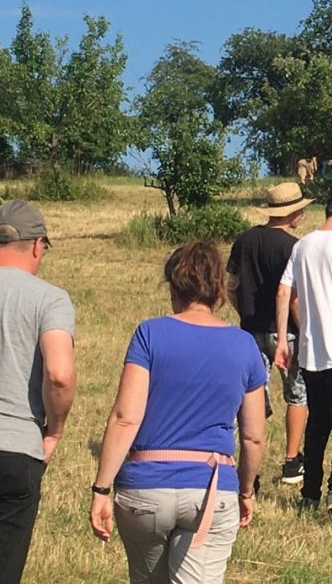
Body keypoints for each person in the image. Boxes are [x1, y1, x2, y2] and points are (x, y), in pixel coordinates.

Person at [90, 242, 266, 584]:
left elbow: (126, 417)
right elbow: (254, 436)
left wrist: (101, 489)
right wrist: (246, 491)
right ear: (220, 289)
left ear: (174, 284)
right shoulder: (245, 345)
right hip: (211, 491)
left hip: (145, 490)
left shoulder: (149, 334)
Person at [274, 188, 332, 522]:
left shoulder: (303, 245)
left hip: (311, 352)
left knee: (317, 424)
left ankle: (309, 492)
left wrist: (285, 340)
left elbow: (285, 291)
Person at [0, 200, 75, 583]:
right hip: (16, 446)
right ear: (35, 245)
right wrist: (55, 430)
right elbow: (59, 373)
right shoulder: (50, 298)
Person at [226, 182, 311, 486]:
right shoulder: (294, 247)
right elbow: (294, 297)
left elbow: (231, 285)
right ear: (294, 213)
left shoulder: (245, 239)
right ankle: (291, 462)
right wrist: (303, 330)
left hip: (250, 331)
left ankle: (251, 468)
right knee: (297, 394)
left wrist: (244, 315)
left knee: (253, 400)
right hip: (285, 333)